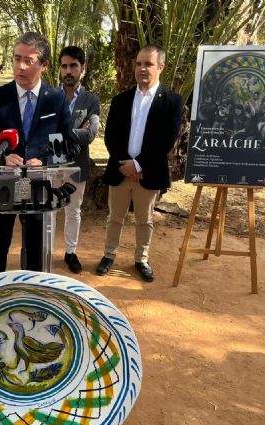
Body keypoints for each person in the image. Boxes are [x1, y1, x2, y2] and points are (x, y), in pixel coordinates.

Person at [0, 32, 77, 273]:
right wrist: (1, 158)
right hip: (3, 184)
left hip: (39, 186)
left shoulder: (57, 100)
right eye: (16, 58)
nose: (20, 66)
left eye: (28, 60)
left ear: (44, 64)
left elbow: (69, 146)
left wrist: (46, 161)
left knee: (35, 250)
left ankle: (33, 296)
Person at [97, 45, 182, 282]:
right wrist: (126, 164)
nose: (142, 68)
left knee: (145, 220)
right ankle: (108, 255)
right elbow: (110, 136)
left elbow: (167, 140)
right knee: (115, 217)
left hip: (148, 173)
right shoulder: (120, 100)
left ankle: (141, 259)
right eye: (139, 63)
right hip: (120, 171)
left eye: (148, 64)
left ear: (160, 68)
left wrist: (138, 165)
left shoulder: (172, 102)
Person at [58, 46, 101, 274]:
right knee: (46, 209)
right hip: (50, 166)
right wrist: (75, 130)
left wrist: (61, 131)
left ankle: (70, 252)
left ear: (82, 68)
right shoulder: (49, 97)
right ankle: (44, 251)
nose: (68, 71)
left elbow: (91, 134)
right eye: (64, 66)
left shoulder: (91, 100)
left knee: (72, 211)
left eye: (73, 66)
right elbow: (43, 130)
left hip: (76, 166)